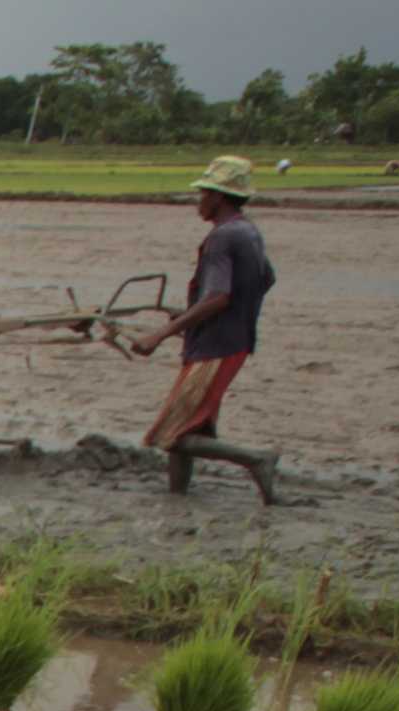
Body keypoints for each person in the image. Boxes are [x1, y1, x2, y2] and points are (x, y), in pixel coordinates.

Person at [129, 156, 279, 505]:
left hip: (215, 346)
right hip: (232, 339)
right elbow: (265, 280)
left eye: (204, 194)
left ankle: (258, 458)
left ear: (219, 197)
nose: (199, 201)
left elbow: (217, 296)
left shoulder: (222, 238)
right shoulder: (249, 231)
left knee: (171, 433)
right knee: (191, 426)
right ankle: (177, 497)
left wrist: (161, 334)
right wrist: (197, 315)